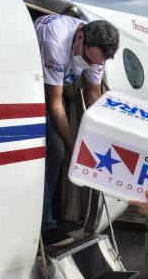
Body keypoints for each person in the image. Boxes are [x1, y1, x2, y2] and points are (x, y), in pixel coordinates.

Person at [35, 15, 119, 243]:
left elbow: (92, 93)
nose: (90, 66)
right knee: (55, 150)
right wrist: (74, 147)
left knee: (61, 151)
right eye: (87, 59)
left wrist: (102, 136)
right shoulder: (55, 41)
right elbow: (54, 103)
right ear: (80, 36)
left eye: (96, 63)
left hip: (57, 87)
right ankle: (44, 226)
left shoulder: (96, 54)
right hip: (39, 87)